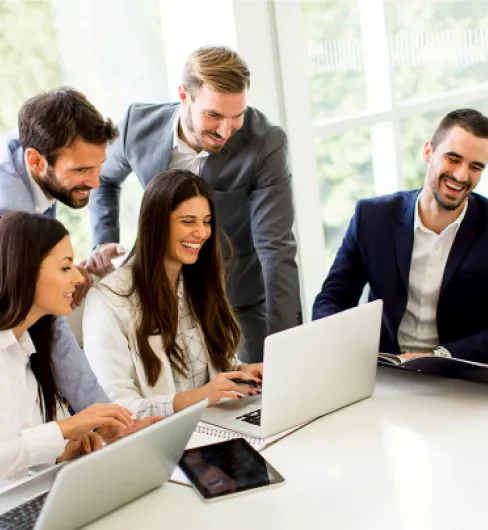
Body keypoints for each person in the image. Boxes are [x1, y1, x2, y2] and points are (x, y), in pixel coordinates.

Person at [86, 45, 302, 363]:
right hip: (158, 298)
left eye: (236, 116)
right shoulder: (137, 125)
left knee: (263, 397)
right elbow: (102, 179)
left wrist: (285, 346)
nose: (225, 130)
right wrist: (104, 238)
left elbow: (276, 248)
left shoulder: (265, 144)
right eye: (213, 115)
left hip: (236, 301)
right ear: (184, 96)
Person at [312, 108, 488, 363]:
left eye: (475, 167)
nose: (462, 176)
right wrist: (333, 342)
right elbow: (334, 295)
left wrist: (436, 357)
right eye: (453, 158)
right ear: (428, 151)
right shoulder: (371, 218)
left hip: (462, 372)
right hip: (386, 367)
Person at [83, 169, 263, 417]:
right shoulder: (108, 300)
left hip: (216, 427)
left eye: (206, 221)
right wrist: (201, 396)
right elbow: (118, 409)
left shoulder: (197, 283)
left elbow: (203, 376)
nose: (201, 233)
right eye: (188, 221)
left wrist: (239, 373)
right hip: (160, 444)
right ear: (155, 223)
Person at [0, 212, 159, 485]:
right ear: (24, 270)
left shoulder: (27, 351)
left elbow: (18, 450)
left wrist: (62, 450)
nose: (79, 278)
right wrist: (63, 429)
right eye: (65, 268)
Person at [0, 88, 120, 414]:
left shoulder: (30, 151)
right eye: (81, 171)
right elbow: (49, 320)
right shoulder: (9, 216)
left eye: (98, 166)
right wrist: (102, 415)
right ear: (36, 161)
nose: (96, 183)